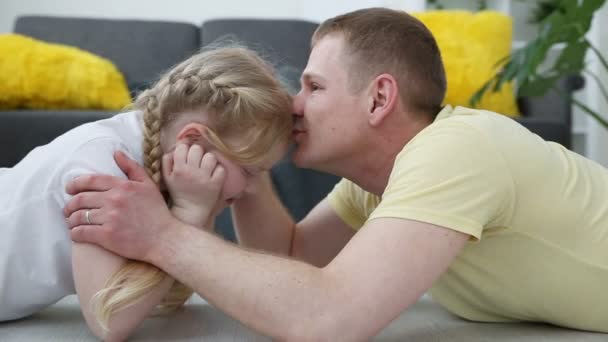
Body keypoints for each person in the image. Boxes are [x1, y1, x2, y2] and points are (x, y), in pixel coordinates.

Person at [64, 7, 608, 340]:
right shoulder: (380, 183)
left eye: (314, 87)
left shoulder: (460, 151)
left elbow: (326, 319)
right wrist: (253, 166)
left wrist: (163, 234)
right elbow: (289, 263)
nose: (294, 105)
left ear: (379, 98)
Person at [0, 45, 292, 341]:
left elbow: (168, 300)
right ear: (192, 141)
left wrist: (192, 213)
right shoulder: (105, 165)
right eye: (249, 170)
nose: (254, 189)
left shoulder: (158, 161)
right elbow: (110, 321)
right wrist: (189, 214)